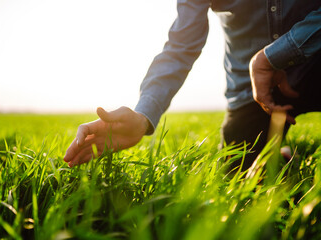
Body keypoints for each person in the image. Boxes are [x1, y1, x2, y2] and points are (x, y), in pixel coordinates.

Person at [64, 1, 321, 169]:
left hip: (314, 64)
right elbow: (181, 48)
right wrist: (143, 115)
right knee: (236, 180)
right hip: (250, 90)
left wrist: (272, 56)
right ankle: (281, 155)